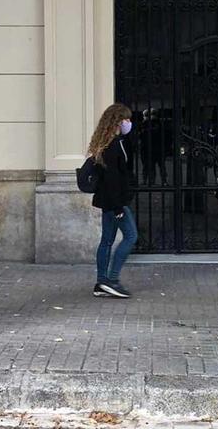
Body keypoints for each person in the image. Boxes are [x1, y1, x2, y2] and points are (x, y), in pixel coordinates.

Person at [87, 103, 138, 299]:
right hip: (114, 202)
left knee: (107, 240)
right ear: (117, 121)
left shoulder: (109, 143)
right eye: (126, 119)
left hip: (109, 201)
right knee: (131, 236)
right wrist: (118, 207)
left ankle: (102, 282)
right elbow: (112, 179)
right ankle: (112, 280)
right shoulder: (112, 145)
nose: (129, 122)